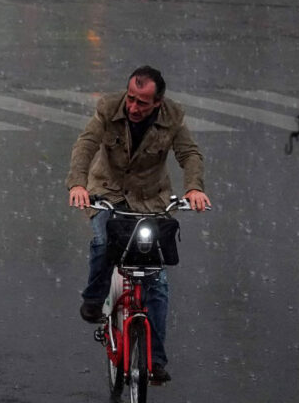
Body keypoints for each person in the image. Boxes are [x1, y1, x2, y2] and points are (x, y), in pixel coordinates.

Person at [66, 66, 211, 383]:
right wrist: (77, 184)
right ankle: (94, 297)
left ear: (158, 102)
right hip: (107, 193)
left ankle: (156, 360)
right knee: (104, 242)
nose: (133, 107)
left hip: (151, 200)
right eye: (131, 98)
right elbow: (86, 144)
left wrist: (194, 188)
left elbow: (189, 153)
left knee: (157, 283)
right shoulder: (109, 108)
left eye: (142, 102)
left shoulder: (172, 117)